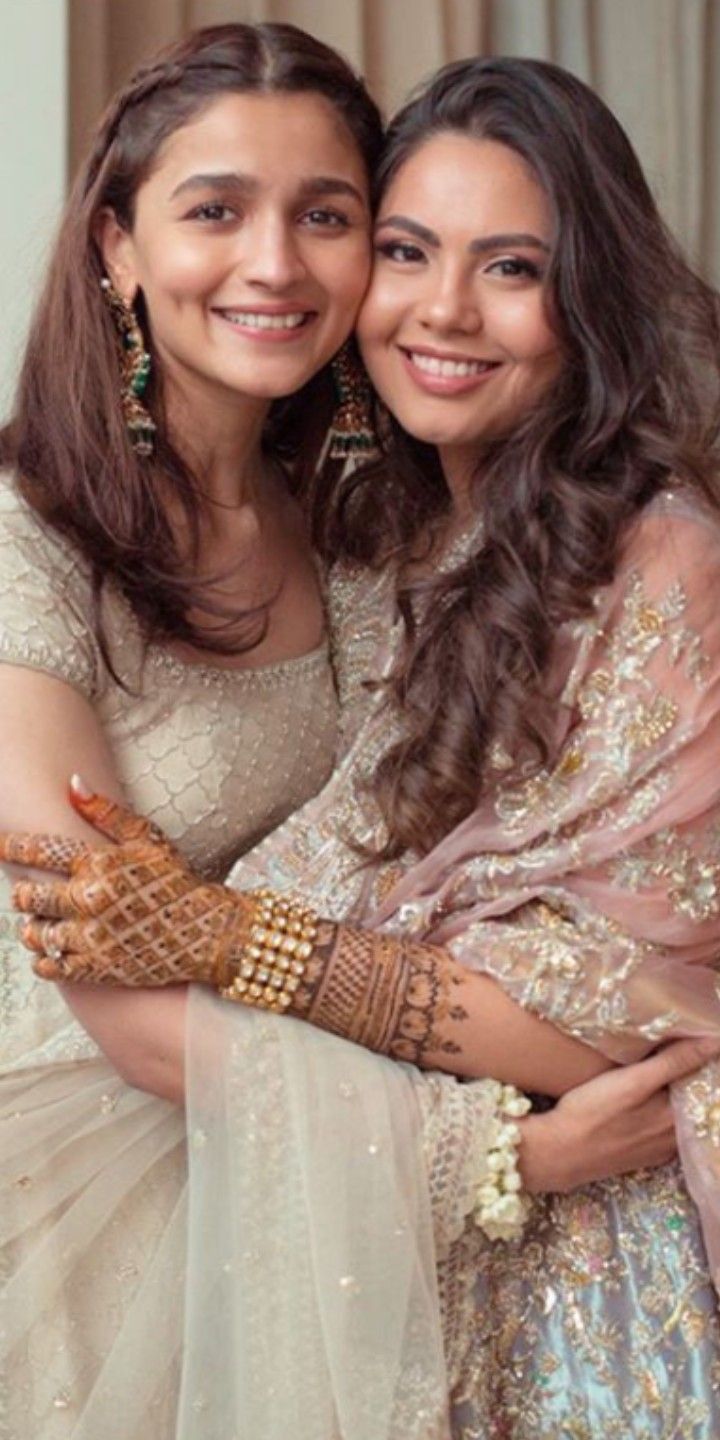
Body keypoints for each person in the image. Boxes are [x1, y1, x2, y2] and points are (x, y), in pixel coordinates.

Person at [9, 55, 720, 1436]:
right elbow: (100, 958)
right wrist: (502, 1156)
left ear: (590, 299)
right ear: (118, 240)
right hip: (107, 1188)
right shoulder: (31, 543)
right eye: (215, 209)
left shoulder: (356, 533)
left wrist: (230, 940)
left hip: (366, 1212)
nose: (276, 263)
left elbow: (635, 981)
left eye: (328, 218)